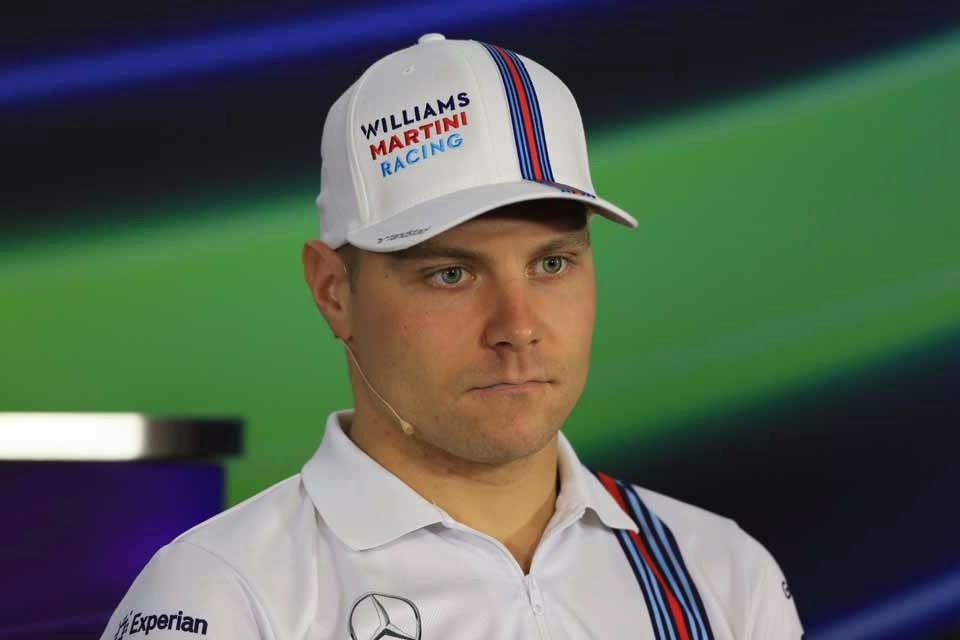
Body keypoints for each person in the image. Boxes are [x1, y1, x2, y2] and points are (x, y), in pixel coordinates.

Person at [101, 34, 803, 640]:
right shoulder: (221, 596)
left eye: (551, 264)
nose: (517, 327)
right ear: (334, 291)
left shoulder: (720, 573)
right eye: (450, 274)